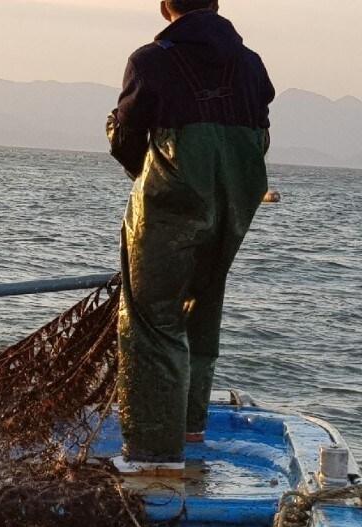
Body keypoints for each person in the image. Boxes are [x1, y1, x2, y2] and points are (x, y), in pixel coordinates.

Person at [106, 0, 274, 475]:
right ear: (216, 4)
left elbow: (127, 138)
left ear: (165, 8)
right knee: (203, 306)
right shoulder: (251, 63)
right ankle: (190, 427)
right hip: (233, 206)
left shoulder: (150, 60)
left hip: (171, 202)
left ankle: (153, 456)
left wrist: (139, 160)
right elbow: (261, 134)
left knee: (153, 320)